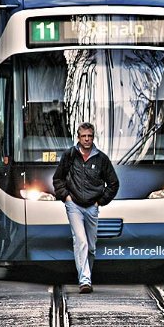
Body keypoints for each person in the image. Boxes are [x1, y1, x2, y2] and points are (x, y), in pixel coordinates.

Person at [53, 122, 119, 294]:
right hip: (73, 205)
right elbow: (58, 179)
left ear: (93, 136)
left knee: (90, 246)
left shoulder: (101, 158)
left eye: (89, 136)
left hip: (92, 207)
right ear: (78, 137)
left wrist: (100, 201)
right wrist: (66, 197)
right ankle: (85, 281)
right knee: (80, 241)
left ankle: (86, 275)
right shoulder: (69, 156)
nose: (87, 139)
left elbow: (113, 183)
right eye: (84, 136)